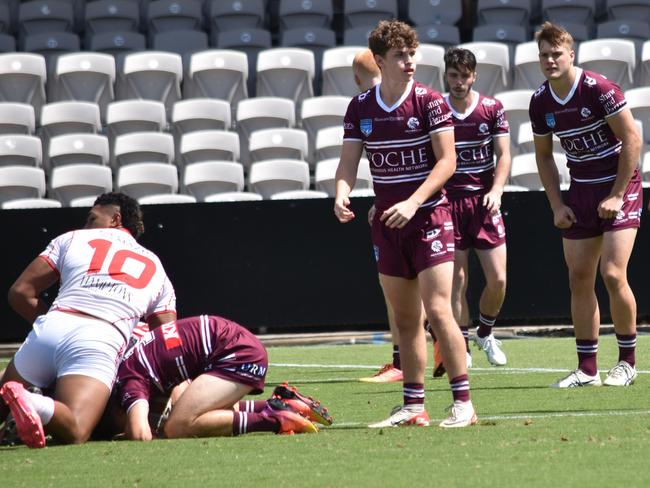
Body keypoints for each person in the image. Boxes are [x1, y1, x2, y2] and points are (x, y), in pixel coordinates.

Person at [335, 20, 477, 428]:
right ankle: (414, 407)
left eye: (412, 53)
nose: (409, 61)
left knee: (438, 310)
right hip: (387, 224)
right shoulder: (360, 108)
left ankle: (463, 403)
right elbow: (348, 164)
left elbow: (448, 162)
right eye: (400, 55)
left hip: (430, 216)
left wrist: (415, 202)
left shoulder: (431, 102)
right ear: (380, 61)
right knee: (405, 320)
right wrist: (342, 193)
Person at [0, 192, 177, 448]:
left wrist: (47, 323)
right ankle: (34, 403)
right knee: (76, 430)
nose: (86, 225)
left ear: (115, 218)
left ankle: (20, 396)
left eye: (92, 218)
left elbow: (20, 293)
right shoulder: (155, 265)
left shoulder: (70, 238)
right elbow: (167, 339)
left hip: (53, 324)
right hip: (100, 337)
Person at [529, 22, 642, 388]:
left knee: (612, 273)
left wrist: (616, 194)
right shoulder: (540, 101)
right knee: (579, 277)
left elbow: (632, 140)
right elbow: (544, 157)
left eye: (556, 53)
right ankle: (588, 369)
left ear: (571, 54)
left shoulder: (599, 89)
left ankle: (627, 362)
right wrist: (557, 204)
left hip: (619, 186)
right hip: (580, 190)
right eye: (544, 55)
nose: (549, 60)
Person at [110, 315, 330, 440]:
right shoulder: (132, 344)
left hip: (234, 353)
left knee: (177, 427)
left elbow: (140, 433)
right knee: (190, 410)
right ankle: (285, 403)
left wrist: (128, 429)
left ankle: (275, 420)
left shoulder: (129, 379)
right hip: (232, 342)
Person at [436, 47, 511, 368]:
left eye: (465, 75)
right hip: (448, 203)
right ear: (446, 75)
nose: (459, 81)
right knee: (458, 281)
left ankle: (485, 331)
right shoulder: (436, 109)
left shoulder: (492, 108)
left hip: (483, 203)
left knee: (498, 280)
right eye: (453, 75)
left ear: (474, 76)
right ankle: (462, 346)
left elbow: (505, 155)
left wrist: (496, 190)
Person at [352, 48, 405, 384]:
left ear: (357, 76)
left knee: (396, 290)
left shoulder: (372, 104)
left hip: (407, 209)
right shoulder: (394, 98)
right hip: (403, 203)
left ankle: (402, 362)